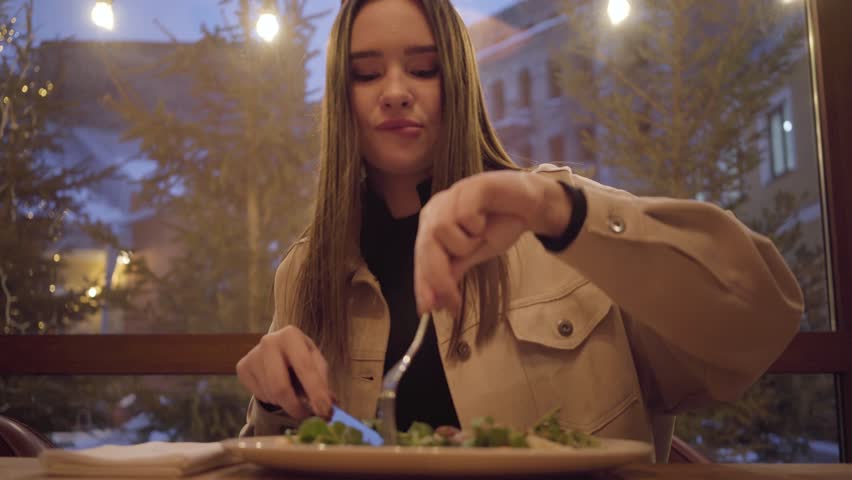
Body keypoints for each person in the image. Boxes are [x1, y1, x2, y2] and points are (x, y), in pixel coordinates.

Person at [236, 0, 803, 462]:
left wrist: (563, 214)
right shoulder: (306, 274)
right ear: (342, 97)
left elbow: (760, 319)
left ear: (455, 80)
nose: (394, 91)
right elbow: (273, 458)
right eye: (366, 73)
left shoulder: (557, 221)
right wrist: (273, 403)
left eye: (423, 67)